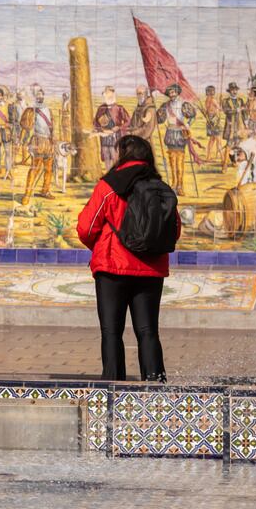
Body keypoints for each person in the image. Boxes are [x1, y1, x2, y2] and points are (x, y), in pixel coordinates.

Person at [76, 135, 179, 382]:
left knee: (111, 331)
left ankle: (114, 388)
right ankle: (155, 386)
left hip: (112, 267)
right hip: (151, 269)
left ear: (122, 155)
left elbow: (86, 227)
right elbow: (173, 230)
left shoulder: (109, 186)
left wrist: (101, 246)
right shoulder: (161, 188)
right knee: (148, 331)